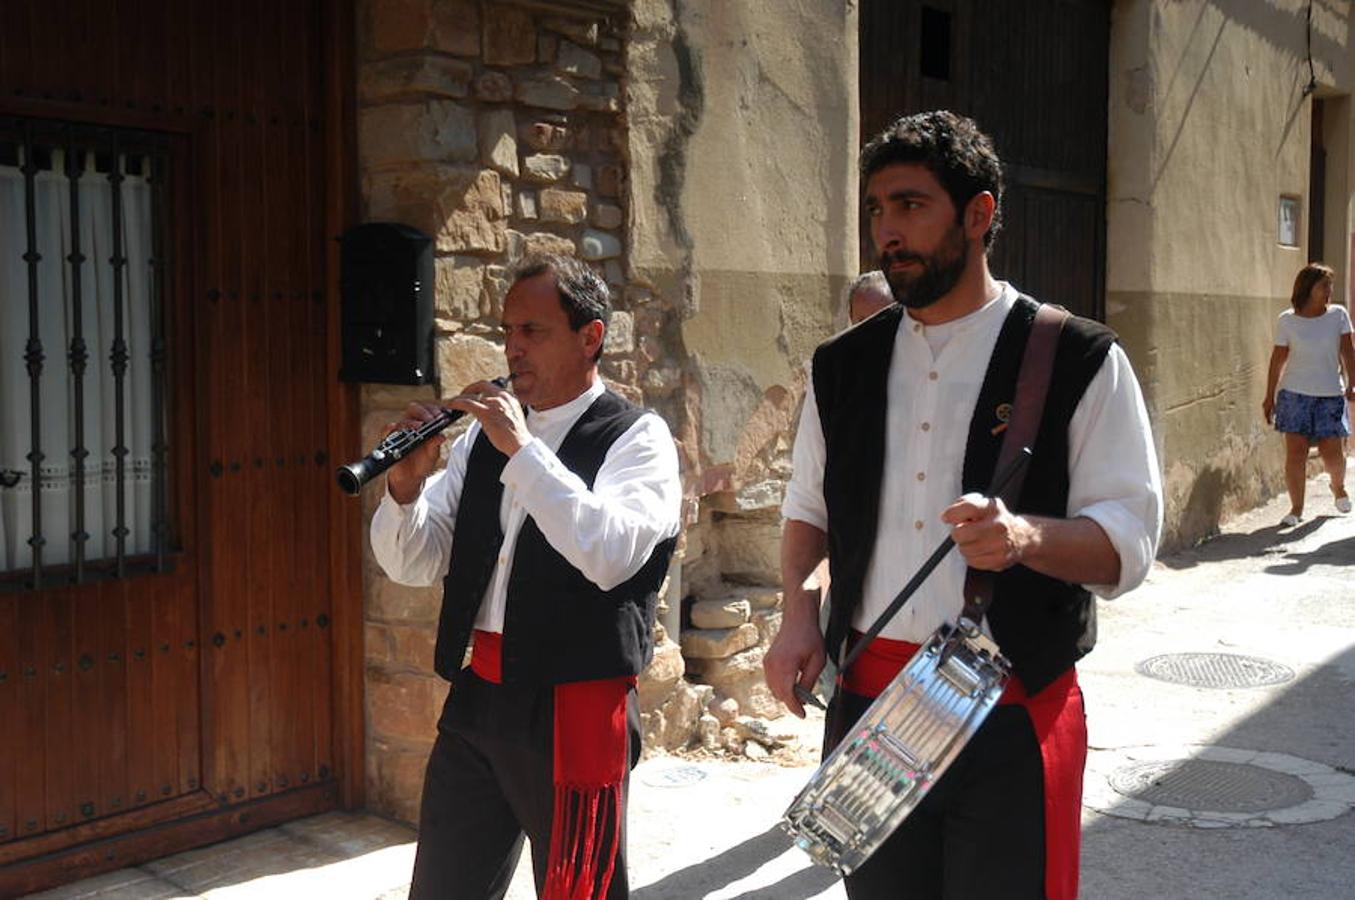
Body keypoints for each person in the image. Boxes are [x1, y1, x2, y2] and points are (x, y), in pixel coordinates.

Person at [764, 110, 1163, 900]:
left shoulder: (1078, 356)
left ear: (977, 215)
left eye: (910, 205)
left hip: (1010, 710)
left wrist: (1022, 538)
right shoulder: (840, 365)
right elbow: (809, 506)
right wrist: (796, 615)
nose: (887, 230)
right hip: (871, 708)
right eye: (876, 209)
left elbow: (1129, 541)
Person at [370, 253, 682, 900]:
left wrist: (524, 450)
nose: (512, 349)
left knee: (578, 894)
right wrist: (404, 488)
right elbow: (414, 562)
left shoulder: (638, 439)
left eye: (532, 332)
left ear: (590, 337)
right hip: (478, 695)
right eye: (506, 332)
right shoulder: (484, 440)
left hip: (575, 707)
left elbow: (608, 554)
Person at [1262, 262, 1355, 526]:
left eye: (1330, 286)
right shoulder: (1287, 320)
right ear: (1308, 287)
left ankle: (1338, 488)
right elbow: (1278, 359)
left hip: (1329, 394)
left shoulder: (1338, 315)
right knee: (1296, 453)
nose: (1329, 290)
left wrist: (1353, 382)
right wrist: (1270, 396)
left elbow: (1348, 352)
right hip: (1294, 394)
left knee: (1332, 454)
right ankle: (1296, 509)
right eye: (1324, 285)